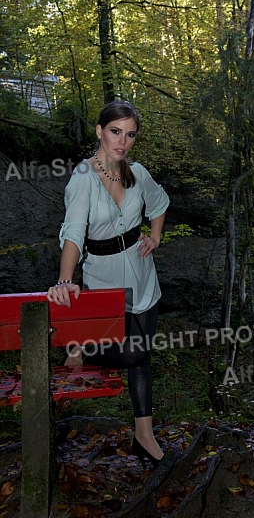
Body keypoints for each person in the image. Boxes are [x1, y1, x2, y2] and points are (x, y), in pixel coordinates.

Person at [47, 100, 169, 469]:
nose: (122, 141)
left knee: (141, 359)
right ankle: (82, 350)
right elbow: (73, 234)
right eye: (116, 131)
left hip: (143, 274)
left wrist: (155, 236)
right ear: (100, 131)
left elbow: (159, 202)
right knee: (133, 353)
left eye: (130, 134)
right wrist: (66, 280)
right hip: (104, 279)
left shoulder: (137, 173)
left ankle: (144, 437)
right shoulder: (83, 178)